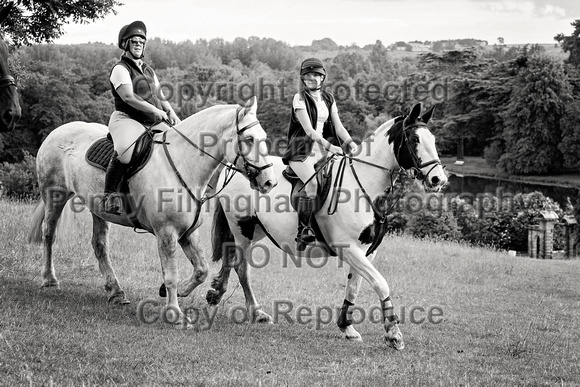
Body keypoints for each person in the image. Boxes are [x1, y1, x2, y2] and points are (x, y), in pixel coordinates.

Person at [103, 20, 180, 215]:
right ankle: (110, 195)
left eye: (141, 42)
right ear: (125, 44)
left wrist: (172, 114)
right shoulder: (120, 69)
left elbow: (160, 96)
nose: (138, 44)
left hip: (152, 121)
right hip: (127, 118)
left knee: (178, 144)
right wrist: (156, 112)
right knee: (125, 150)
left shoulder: (148, 70)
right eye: (134, 41)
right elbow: (128, 97)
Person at [282, 57, 358, 251]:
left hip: (322, 151)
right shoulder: (299, 98)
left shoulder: (328, 99)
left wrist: (350, 143)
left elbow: (338, 126)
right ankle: (303, 230)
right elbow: (309, 131)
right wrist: (331, 147)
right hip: (301, 151)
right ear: (303, 78)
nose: (312, 78)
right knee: (314, 184)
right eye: (308, 75)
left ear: (322, 78)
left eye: (316, 75)